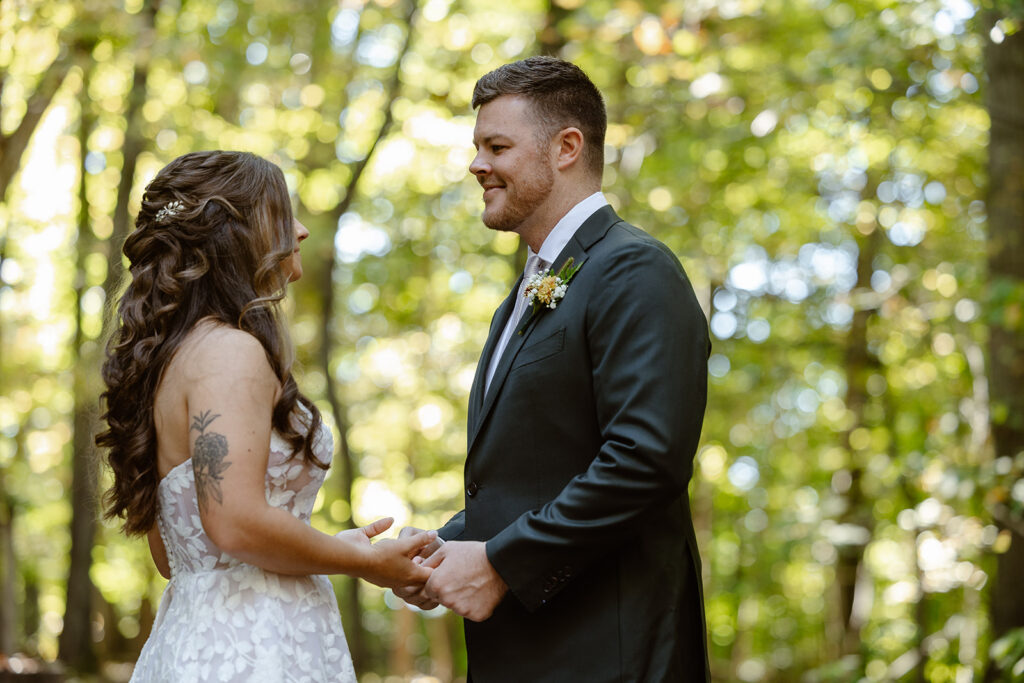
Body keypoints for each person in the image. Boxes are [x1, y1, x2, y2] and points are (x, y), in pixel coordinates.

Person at [395, 57, 712, 681]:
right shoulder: (520, 298)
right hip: (524, 650)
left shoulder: (633, 270)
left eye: (498, 146)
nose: (476, 164)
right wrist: (448, 547)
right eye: (477, 146)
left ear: (567, 147)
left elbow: (646, 460)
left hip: (605, 652)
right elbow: (535, 472)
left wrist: (500, 564)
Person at [96, 150, 436, 682]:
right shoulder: (231, 352)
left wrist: (328, 547)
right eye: (281, 212)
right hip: (256, 651)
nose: (299, 230)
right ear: (232, 231)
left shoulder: (171, 360)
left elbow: (180, 558)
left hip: (193, 642)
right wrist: (366, 563)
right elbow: (233, 522)